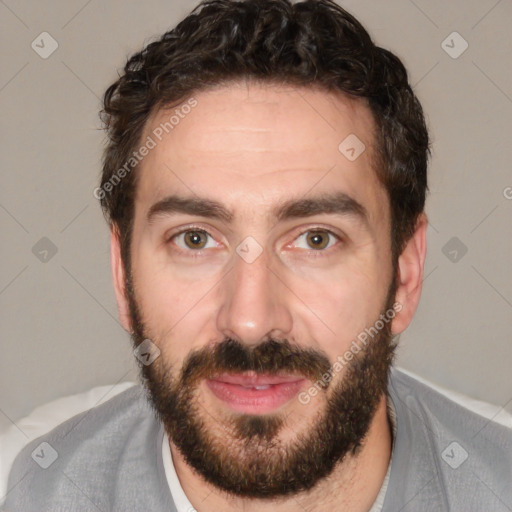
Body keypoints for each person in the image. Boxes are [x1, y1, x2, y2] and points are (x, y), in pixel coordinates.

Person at [4, 1, 512, 511]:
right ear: (122, 275)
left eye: (316, 239)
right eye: (195, 239)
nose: (249, 321)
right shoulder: (24, 485)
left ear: (405, 274)